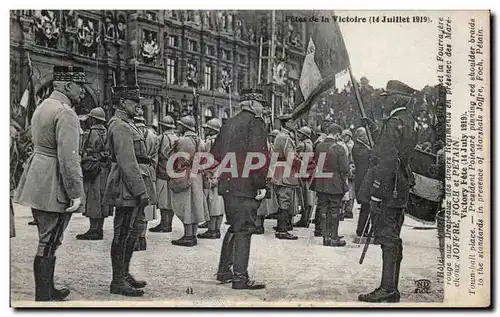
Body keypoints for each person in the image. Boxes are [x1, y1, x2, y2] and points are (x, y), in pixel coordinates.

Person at [14, 65, 87, 301]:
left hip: (38, 179)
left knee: (47, 238)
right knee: (50, 239)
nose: (83, 92)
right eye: (80, 86)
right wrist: (76, 193)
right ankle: (43, 295)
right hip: (54, 182)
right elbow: (68, 159)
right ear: (68, 85)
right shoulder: (66, 113)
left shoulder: (43, 106)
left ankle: (47, 289)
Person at [357, 80, 418, 303]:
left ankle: (387, 287)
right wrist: (373, 127)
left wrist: (377, 191)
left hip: (388, 190)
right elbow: (395, 150)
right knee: (393, 238)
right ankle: (391, 286)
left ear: (396, 99)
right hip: (400, 188)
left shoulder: (393, 122)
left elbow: (387, 160)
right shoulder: (409, 121)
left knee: (387, 238)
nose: (385, 101)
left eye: (387, 97)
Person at [211, 88, 268, 289]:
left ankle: (224, 271)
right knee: (244, 229)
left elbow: (215, 153)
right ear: (252, 104)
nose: (264, 108)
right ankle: (240, 277)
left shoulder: (228, 123)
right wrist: (261, 184)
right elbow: (258, 157)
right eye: (262, 104)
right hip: (246, 185)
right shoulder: (257, 123)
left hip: (228, 184)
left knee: (235, 226)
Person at [103, 85, 155, 297]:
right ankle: (117, 280)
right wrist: (140, 191)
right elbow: (127, 162)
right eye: (135, 103)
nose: (139, 107)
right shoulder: (120, 125)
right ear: (123, 102)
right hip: (127, 186)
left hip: (132, 183)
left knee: (132, 231)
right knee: (122, 232)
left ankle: (124, 274)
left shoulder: (128, 124)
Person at [169, 116, 209, 247]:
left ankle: (188, 235)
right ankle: (193, 235)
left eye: (179, 124)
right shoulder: (200, 141)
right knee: (195, 205)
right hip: (197, 175)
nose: (177, 126)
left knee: (186, 205)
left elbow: (178, 160)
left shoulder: (184, 141)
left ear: (185, 127)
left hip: (185, 175)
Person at [76, 107, 112, 240]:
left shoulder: (91, 132)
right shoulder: (107, 132)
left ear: (93, 119)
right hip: (104, 169)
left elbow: (88, 150)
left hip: (93, 169)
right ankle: (100, 228)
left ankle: (93, 229)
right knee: (102, 198)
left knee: (92, 198)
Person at [310, 123, 348, 247]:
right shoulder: (339, 148)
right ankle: (333, 237)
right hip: (335, 183)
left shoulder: (318, 146)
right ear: (337, 134)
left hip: (321, 182)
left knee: (323, 209)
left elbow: (315, 162)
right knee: (334, 209)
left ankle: (325, 237)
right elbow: (344, 168)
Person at [271, 114, 301, 240]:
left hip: (280, 171)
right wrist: (302, 163)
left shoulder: (282, 136)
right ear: (287, 123)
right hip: (285, 173)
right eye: (293, 122)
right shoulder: (285, 137)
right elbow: (290, 157)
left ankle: (281, 229)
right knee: (285, 201)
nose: (295, 124)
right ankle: (282, 231)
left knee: (284, 200)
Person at [133, 113, 159, 251]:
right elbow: (155, 158)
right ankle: (143, 237)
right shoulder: (153, 136)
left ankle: (135, 239)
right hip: (149, 171)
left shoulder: (130, 132)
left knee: (135, 206)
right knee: (148, 207)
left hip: (135, 171)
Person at [150, 115, 179, 233]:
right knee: (171, 200)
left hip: (162, 172)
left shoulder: (161, 138)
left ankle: (164, 224)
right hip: (174, 173)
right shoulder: (177, 138)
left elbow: (156, 155)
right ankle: (169, 224)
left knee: (162, 200)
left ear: (162, 126)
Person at [198, 118, 225, 239]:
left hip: (211, 173)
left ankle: (212, 230)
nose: (205, 130)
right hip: (223, 173)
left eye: (207, 128)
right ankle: (216, 229)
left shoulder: (210, 141)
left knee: (212, 202)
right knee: (219, 202)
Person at [351, 127, 372, 241]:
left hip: (365, 180)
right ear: (361, 136)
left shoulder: (364, 147)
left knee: (367, 206)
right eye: (366, 135)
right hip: (362, 180)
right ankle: (362, 230)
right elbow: (363, 158)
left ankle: (364, 229)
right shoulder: (357, 147)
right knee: (366, 205)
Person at [294, 126, 315, 228]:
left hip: (302, 172)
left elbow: (294, 155)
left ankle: (304, 219)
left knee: (304, 196)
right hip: (309, 172)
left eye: (300, 133)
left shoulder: (302, 145)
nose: (298, 135)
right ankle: (306, 218)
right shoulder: (311, 144)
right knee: (308, 196)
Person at [341, 129, 355, 219]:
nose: (343, 137)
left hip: (351, 169)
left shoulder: (351, 145)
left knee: (350, 191)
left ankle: (348, 210)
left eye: (345, 135)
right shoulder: (348, 145)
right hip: (350, 169)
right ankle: (347, 209)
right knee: (349, 191)